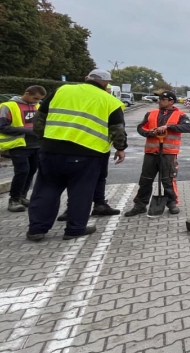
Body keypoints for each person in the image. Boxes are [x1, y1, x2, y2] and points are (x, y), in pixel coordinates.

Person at [26, 70, 127, 241]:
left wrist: (43, 139)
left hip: (51, 149)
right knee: (81, 192)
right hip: (87, 153)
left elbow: (39, 118)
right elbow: (117, 129)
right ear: (106, 83)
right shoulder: (110, 100)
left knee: (46, 189)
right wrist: (120, 148)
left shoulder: (62, 90)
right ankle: (75, 228)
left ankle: (37, 229)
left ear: (86, 78)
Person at [124, 91, 190, 217]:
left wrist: (169, 127)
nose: (159, 101)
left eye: (163, 99)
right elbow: (140, 127)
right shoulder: (151, 113)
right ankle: (140, 204)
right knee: (145, 180)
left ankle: (172, 203)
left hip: (168, 153)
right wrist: (149, 132)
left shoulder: (180, 115)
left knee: (168, 180)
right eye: (159, 98)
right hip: (151, 153)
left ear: (171, 102)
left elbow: (187, 128)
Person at [0, 85, 46, 212]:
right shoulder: (8, 106)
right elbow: (1, 127)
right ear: (27, 93)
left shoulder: (37, 106)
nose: (36, 101)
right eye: (35, 98)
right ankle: (14, 199)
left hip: (35, 145)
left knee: (31, 171)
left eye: (39, 100)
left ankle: (22, 196)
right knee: (22, 171)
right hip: (18, 145)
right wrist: (27, 131)